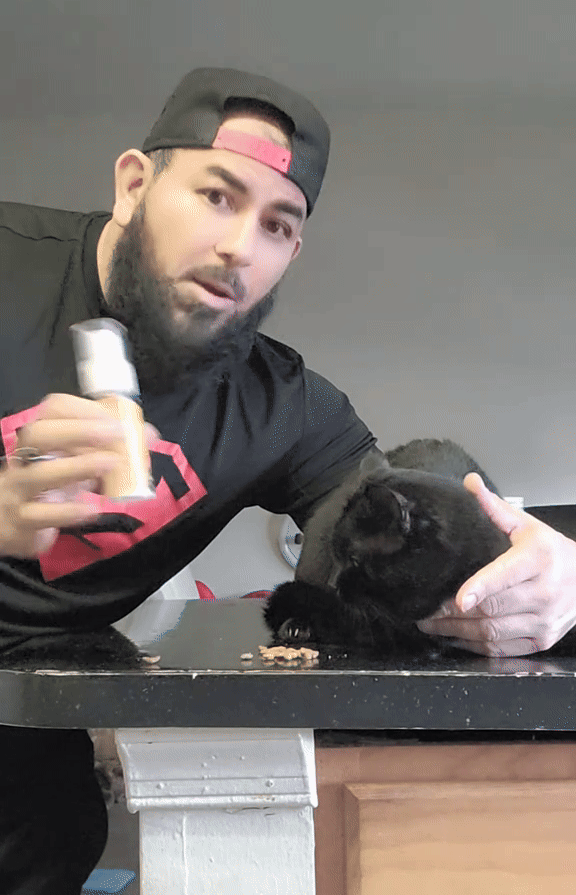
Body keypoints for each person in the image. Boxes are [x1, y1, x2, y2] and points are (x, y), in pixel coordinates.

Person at [0, 66, 574, 892]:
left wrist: (547, 573)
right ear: (132, 186)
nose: (240, 247)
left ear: (291, 253)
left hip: (27, 768)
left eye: (276, 225)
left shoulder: (284, 409)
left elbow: (415, 517)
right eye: (216, 196)